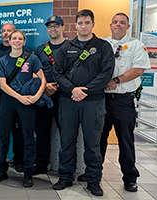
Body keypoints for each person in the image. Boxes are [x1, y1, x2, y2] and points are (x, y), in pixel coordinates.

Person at [52, 9, 115, 197]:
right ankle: (65, 177)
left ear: (93, 24)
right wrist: (72, 89)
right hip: (68, 101)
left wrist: (84, 91)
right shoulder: (67, 46)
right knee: (67, 141)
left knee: (93, 143)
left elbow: (106, 74)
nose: (83, 26)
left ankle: (93, 180)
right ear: (76, 25)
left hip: (93, 102)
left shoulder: (103, 46)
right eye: (80, 23)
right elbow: (57, 73)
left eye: (87, 22)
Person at [0, 30, 46, 187]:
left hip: (28, 101)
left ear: (23, 41)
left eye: (19, 38)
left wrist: (36, 97)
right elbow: (2, 85)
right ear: (10, 40)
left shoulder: (32, 58)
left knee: (28, 137)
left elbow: (42, 80)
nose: (16, 41)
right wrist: (19, 97)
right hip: (9, 100)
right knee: (3, 137)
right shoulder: (3, 60)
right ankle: (1, 170)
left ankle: (28, 172)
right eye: (14, 38)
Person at [99, 12, 147, 192]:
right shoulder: (102, 44)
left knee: (126, 141)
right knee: (99, 140)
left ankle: (130, 177)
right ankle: (94, 174)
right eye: (115, 22)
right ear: (110, 25)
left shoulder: (136, 45)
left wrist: (116, 81)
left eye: (122, 23)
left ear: (127, 26)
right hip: (102, 100)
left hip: (123, 101)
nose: (117, 25)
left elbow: (139, 70)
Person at [0, 23, 29, 171]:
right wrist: (1, 87)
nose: (6, 33)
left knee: (19, 128)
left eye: (9, 31)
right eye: (3, 31)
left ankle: (19, 159)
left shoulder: (27, 53)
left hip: (21, 96)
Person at [32, 15, 68, 175]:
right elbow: (33, 71)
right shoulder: (40, 49)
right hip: (44, 95)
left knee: (66, 133)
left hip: (65, 97)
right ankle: (40, 165)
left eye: (56, 26)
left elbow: (76, 72)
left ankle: (66, 168)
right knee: (42, 131)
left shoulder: (71, 47)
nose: (53, 29)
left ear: (63, 27)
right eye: (50, 26)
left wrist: (59, 85)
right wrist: (44, 85)